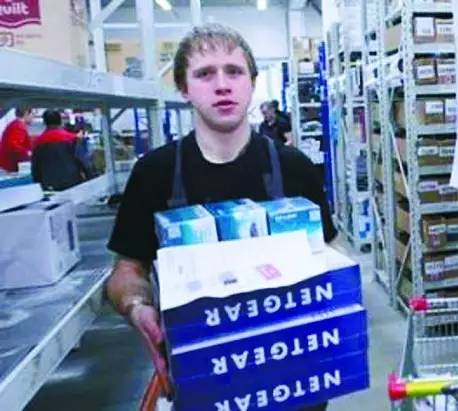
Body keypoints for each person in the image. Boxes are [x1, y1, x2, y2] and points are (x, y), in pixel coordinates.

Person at [104, 24, 336, 409]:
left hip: (293, 378)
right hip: (203, 378)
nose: (222, 85)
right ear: (184, 88)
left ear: (252, 83)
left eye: (234, 71)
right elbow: (126, 270)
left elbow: (328, 252)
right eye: (205, 74)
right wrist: (137, 307)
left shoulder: (294, 167)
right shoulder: (154, 172)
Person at [31, 109, 88, 190]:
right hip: (73, 184)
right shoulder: (72, 139)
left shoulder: (37, 143)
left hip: (49, 187)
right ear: (60, 121)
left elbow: (35, 169)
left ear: (44, 122)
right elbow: (84, 162)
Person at [0, 107, 34, 173]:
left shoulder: (15, 124)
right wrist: (29, 153)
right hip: (11, 165)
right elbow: (14, 146)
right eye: (32, 114)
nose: (33, 116)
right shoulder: (18, 126)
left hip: (9, 163)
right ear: (26, 113)